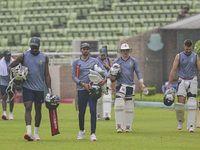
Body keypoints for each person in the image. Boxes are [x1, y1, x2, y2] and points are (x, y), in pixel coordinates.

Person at [8, 37, 52, 141]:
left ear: (39, 46)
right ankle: (28, 132)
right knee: (28, 107)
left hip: (40, 88)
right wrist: (15, 76)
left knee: (38, 109)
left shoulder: (44, 57)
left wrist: (49, 89)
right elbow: (10, 66)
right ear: (30, 46)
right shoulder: (23, 56)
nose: (34, 49)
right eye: (32, 47)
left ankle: (36, 133)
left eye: (36, 47)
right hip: (27, 87)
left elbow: (47, 75)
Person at [72, 43, 107, 141]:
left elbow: (104, 71)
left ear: (89, 50)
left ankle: (93, 133)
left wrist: (104, 79)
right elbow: (74, 76)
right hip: (81, 89)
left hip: (93, 89)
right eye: (84, 49)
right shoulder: (76, 62)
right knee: (82, 111)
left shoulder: (95, 61)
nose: (85, 50)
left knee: (93, 110)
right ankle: (81, 130)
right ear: (81, 50)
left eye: (87, 49)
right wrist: (82, 83)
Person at [108, 43, 147, 133]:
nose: (125, 52)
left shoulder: (133, 61)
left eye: (126, 50)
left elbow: (138, 72)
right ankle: (119, 127)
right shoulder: (116, 61)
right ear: (121, 51)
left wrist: (141, 82)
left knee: (129, 107)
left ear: (129, 51)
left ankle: (128, 127)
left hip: (130, 85)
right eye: (123, 50)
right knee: (119, 105)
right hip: (120, 85)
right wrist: (115, 74)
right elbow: (111, 75)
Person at [167, 39, 200, 132]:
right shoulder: (179, 56)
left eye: (189, 49)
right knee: (180, 105)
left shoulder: (195, 56)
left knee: (192, 104)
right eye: (187, 49)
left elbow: (199, 70)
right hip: (182, 79)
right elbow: (173, 70)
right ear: (184, 47)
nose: (188, 51)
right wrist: (169, 83)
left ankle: (191, 126)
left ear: (191, 47)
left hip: (192, 79)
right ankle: (180, 121)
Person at [96, 46, 113, 120]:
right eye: (102, 55)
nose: (103, 56)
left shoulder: (109, 60)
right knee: (98, 98)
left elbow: (113, 70)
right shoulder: (96, 60)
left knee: (107, 97)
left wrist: (108, 66)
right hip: (98, 80)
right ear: (99, 54)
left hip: (107, 80)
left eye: (104, 55)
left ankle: (107, 114)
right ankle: (98, 114)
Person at [0, 50, 15, 120]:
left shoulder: (13, 61)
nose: (9, 56)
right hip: (3, 81)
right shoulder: (0, 62)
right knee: (4, 97)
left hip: (11, 81)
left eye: (9, 55)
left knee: (11, 98)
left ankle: (11, 113)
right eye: (7, 55)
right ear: (4, 56)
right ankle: (5, 113)